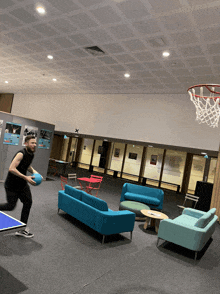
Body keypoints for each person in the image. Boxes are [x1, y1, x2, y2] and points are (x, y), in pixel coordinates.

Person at [0, 135, 40, 238]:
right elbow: (11, 168)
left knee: (28, 202)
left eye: (35, 143)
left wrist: (35, 172)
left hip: (22, 185)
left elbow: (27, 165)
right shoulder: (20, 153)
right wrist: (26, 177)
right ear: (26, 143)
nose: (34, 145)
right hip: (12, 185)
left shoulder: (31, 154)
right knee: (10, 206)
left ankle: (21, 229)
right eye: (32, 143)